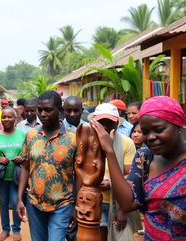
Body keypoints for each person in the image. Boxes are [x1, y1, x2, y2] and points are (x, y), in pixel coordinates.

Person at [91, 96, 186, 241]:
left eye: (159, 130)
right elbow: (128, 203)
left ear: (178, 125)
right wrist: (110, 151)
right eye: (145, 132)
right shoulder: (144, 157)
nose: (151, 137)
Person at [16, 90, 78, 241]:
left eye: (48, 110)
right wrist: (19, 199)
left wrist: (76, 207)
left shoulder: (73, 138)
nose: (42, 114)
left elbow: (79, 174)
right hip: (34, 203)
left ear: (60, 110)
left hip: (62, 204)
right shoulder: (31, 136)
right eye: (40, 110)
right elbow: (26, 167)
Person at [90, 103, 136, 241]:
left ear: (117, 123)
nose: (104, 127)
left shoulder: (126, 143)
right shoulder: (87, 142)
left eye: (109, 123)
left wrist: (123, 209)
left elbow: (131, 177)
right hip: (94, 201)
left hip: (117, 202)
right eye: (100, 123)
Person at [0, 107, 25, 241]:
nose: (6, 119)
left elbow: (29, 151)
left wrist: (23, 157)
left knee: (15, 201)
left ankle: (16, 229)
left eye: (9, 117)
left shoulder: (22, 134)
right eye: (4, 117)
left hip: (17, 176)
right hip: (1, 176)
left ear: (15, 119)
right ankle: (5, 229)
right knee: (3, 202)